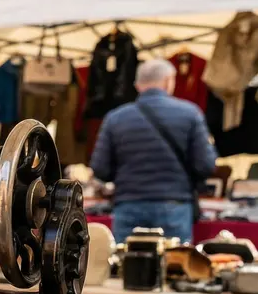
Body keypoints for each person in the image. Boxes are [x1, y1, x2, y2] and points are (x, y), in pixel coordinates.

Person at [91, 59, 218, 244]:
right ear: (168, 81)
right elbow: (206, 165)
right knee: (175, 266)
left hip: (129, 204)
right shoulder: (190, 114)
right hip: (174, 204)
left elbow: (100, 168)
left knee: (127, 266)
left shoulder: (115, 118)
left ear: (137, 85)